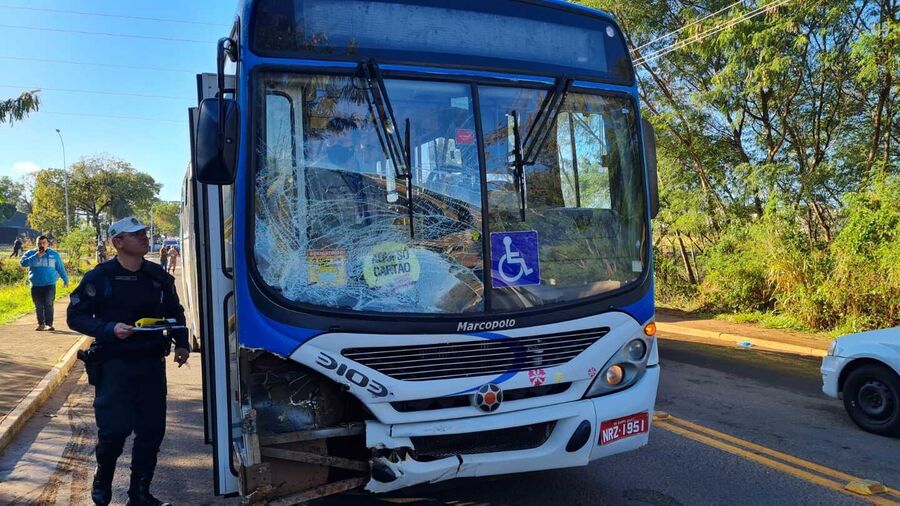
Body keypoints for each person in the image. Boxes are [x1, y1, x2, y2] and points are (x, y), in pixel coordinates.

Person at [67, 216, 189, 506]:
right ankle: (103, 478)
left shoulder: (158, 276)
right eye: (137, 235)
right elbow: (75, 316)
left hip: (151, 364)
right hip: (115, 366)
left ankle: (140, 494)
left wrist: (182, 343)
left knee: (151, 431)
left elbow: (176, 311)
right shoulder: (101, 277)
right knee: (115, 431)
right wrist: (109, 329)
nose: (144, 238)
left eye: (145, 233)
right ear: (118, 243)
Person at [20, 235, 69, 331]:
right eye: (39, 243)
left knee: (48, 303)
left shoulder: (54, 255)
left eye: (43, 243)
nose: (41, 245)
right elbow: (23, 263)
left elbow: (60, 268)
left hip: (49, 284)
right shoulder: (30, 253)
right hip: (35, 285)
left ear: (47, 244)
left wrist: (65, 279)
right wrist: (37, 256)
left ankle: (49, 324)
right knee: (38, 305)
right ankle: (41, 324)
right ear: (36, 244)